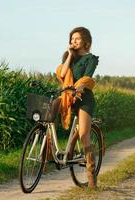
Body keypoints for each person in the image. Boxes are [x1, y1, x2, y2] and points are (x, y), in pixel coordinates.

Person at [56, 26, 99, 189]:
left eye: (77, 39)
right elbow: (62, 73)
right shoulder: (68, 56)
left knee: (83, 134)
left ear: (86, 42)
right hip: (68, 96)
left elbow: (87, 79)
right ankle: (47, 154)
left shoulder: (91, 59)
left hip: (84, 99)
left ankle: (91, 176)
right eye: (72, 39)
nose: (74, 41)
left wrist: (79, 88)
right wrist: (68, 55)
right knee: (48, 112)